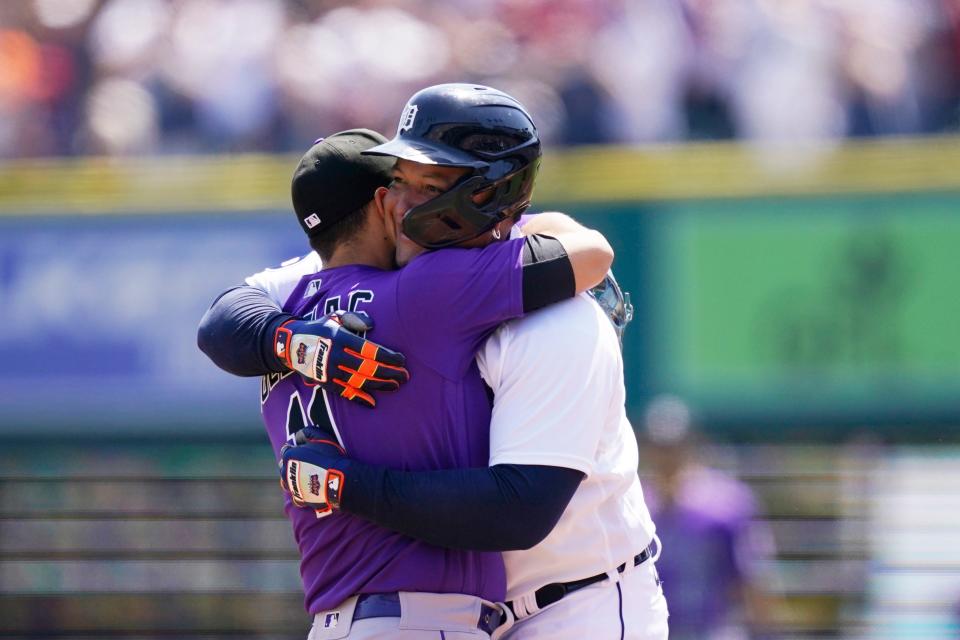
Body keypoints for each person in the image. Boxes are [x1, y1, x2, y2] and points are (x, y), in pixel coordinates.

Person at [202, 84, 668, 639]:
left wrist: (349, 485)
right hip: (464, 611)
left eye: (425, 184)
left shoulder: (557, 317)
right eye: (396, 180)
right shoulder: (390, 265)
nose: (399, 202)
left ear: (485, 192)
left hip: (580, 598)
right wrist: (292, 339)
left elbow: (522, 511)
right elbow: (226, 316)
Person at [640, 396, 782, 640]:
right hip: (652, 631)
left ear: (691, 444)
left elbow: (752, 577)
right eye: (660, 447)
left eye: (674, 446)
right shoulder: (635, 503)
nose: (667, 456)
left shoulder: (726, 502)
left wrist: (766, 631)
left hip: (712, 629)